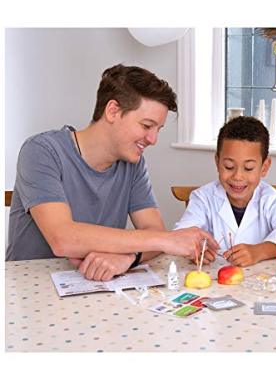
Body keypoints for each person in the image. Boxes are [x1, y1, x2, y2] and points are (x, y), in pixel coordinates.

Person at [7, 64, 217, 280]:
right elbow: (63, 238)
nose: (153, 139)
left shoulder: (133, 164)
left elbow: (153, 231)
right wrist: (167, 240)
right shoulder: (42, 151)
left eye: (158, 129)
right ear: (113, 111)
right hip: (30, 287)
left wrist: (129, 258)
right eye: (147, 126)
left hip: (97, 286)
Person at [174, 116, 276, 267]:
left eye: (248, 168)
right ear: (217, 163)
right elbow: (181, 235)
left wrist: (259, 251)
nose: (238, 176)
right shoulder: (203, 198)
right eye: (229, 166)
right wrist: (196, 249)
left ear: (264, 167)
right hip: (214, 279)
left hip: (261, 280)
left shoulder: (270, 199)